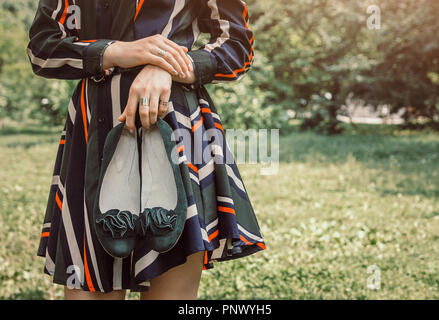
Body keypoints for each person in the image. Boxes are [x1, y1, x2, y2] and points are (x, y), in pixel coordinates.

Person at [27, 0, 266, 300]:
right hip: (95, 130)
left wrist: (170, 66)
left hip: (175, 124)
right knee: (90, 288)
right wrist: (113, 52)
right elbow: (41, 48)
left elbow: (237, 46)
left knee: (169, 287)